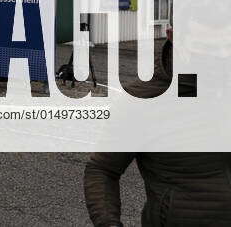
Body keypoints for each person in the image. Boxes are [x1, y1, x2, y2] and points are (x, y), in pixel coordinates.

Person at [83, 32, 231, 226]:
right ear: (173, 36)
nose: (219, 57)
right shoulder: (143, 101)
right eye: (205, 48)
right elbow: (102, 170)